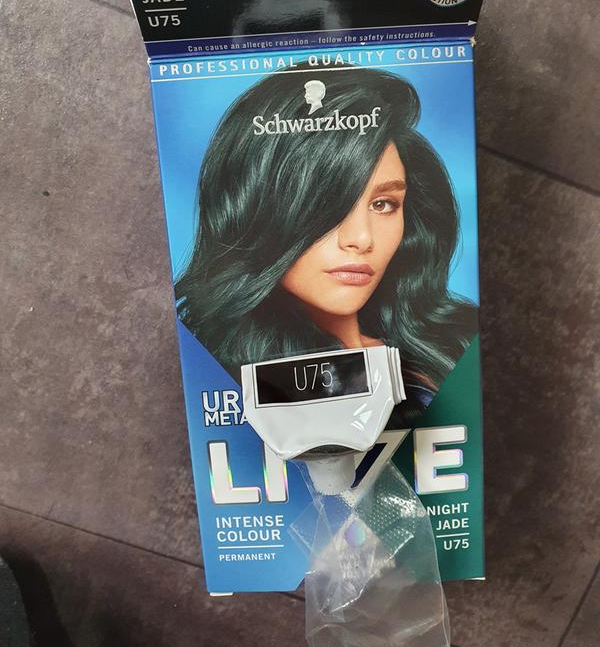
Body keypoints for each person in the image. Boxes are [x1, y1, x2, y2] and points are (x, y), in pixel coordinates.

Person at [175, 64, 477, 421]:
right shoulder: (225, 377)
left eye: (383, 204)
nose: (361, 239)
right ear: (256, 209)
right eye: (330, 202)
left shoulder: (452, 337)